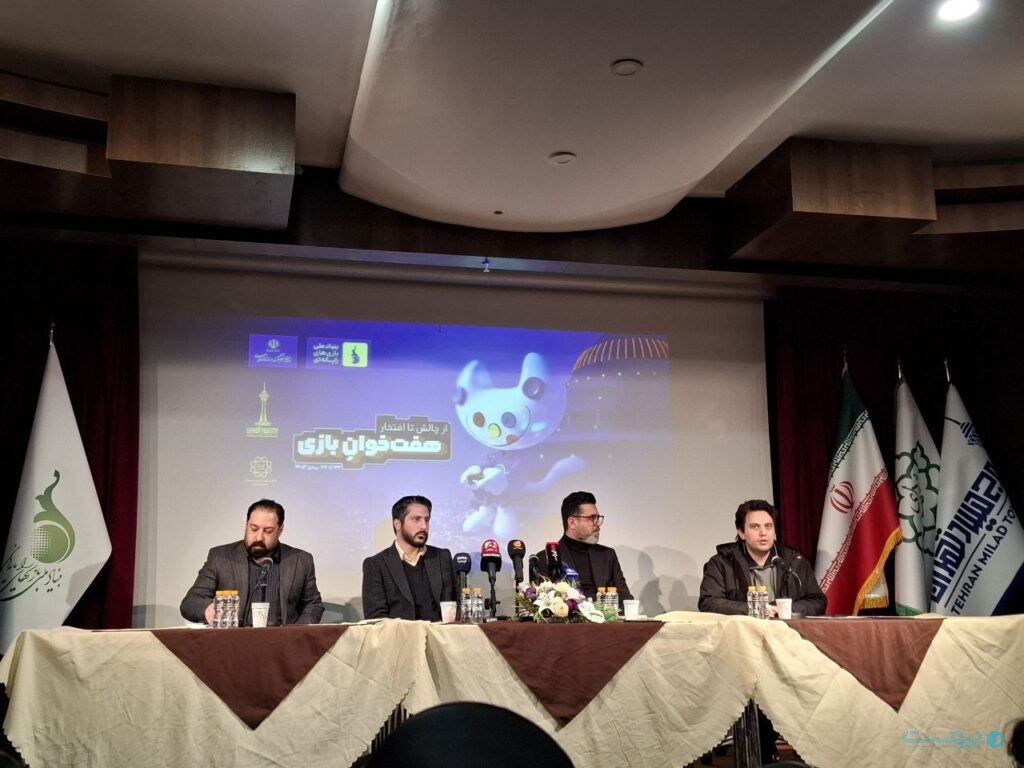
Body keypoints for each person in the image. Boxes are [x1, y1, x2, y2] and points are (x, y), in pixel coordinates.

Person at [180, 498, 324, 625]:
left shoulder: (300, 560)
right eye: (254, 528)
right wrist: (207, 609)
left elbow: (313, 604)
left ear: (280, 530)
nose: (259, 537)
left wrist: (297, 633)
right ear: (246, 524)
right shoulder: (220, 557)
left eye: (268, 531)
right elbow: (191, 602)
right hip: (233, 641)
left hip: (284, 641)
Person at [699, 499, 825, 617]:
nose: (763, 533)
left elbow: (817, 601)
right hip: (743, 631)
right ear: (741, 532)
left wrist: (784, 609)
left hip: (786, 630)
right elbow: (709, 602)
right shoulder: (721, 563)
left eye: (768, 526)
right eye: (755, 526)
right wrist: (756, 609)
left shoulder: (793, 561)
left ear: (774, 531)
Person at [362, 495, 457, 620]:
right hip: (400, 632)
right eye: (416, 519)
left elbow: (457, 605)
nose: (424, 526)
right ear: (397, 524)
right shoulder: (376, 565)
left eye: (427, 520)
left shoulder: (442, 557)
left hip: (440, 631)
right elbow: (377, 619)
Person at [535, 491, 632, 601]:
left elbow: (626, 599)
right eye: (592, 518)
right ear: (572, 523)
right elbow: (543, 603)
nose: (598, 523)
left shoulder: (607, 555)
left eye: (598, 518)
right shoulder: (546, 558)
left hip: (606, 612)